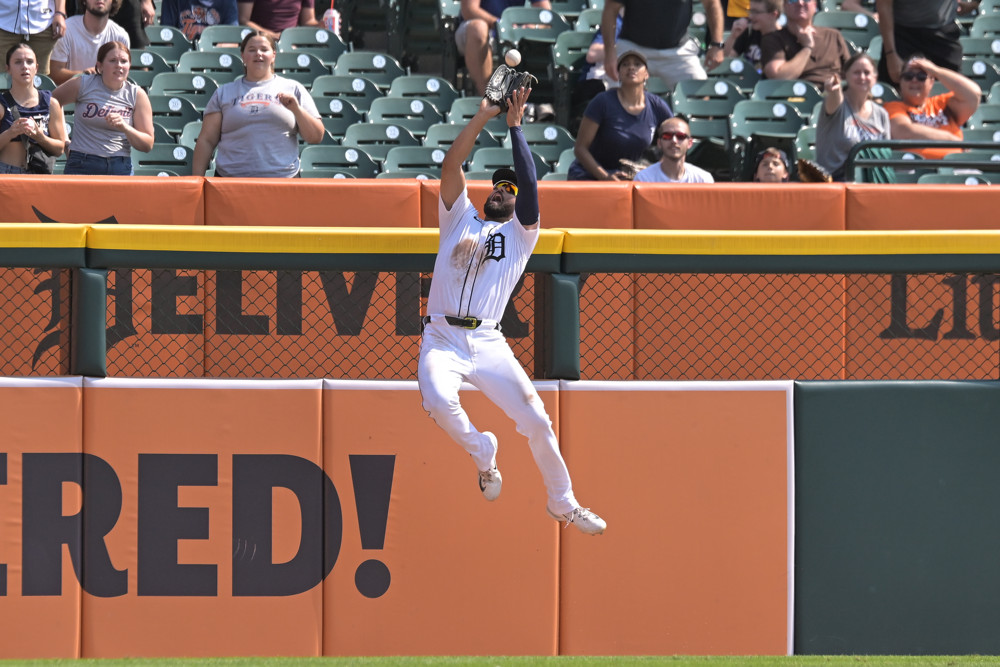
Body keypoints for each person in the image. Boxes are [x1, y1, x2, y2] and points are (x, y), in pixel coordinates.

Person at [418, 86, 607, 536]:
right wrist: (484, 116)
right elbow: (450, 166)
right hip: (442, 337)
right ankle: (484, 453)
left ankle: (563, 502)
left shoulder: (522, 236)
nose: (503, 189)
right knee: (439, 402)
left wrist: (516, 128)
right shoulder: (459, 218)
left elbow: (530, 185)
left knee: (538, 419)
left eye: (511, 187)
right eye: (498, 184)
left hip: (486, 340)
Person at [192, 30, 323, 177]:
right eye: (252, 50)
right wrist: (198, 180)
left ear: (273, 55)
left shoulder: (293, 89)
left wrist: (297, 109)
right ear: (243, 56)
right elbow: (207, 140)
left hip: (283, 183)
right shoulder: (224, 93)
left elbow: (315, 137)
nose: (258, 54)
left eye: (264, 49)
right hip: (230, 183)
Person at [568, 50, 672, 181]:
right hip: (590, 176)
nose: (631, 67)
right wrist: (605, 176)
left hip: (629, 178)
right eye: (625, 64)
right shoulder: (602, 102)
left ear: (647, 74)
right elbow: (580, 149)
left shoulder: (657, 105)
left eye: (637, 64)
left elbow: (676, 137)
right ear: (618, 74)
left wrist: (654, 169)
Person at [52, 40, 153, 174]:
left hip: (120, 165)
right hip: (82, 162)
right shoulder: (83, 84)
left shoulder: (137, 94)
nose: (119, 66)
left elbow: (147, 144)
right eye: (113, 61)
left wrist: (125, 127)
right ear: (100, 66)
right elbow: (52, 102)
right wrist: (64, 139)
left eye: (124, 61)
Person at [602, 0, 726, 90]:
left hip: (678, 52)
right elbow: (610, 9)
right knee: (616, 98)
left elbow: (712, 4)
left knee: (699, 94)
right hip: (633, 49)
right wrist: (609, 53)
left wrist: (717, 45)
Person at [883, 55, 980, 160]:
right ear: (900, 82)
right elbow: (904, 132)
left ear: (931, 82)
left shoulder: (943, 104)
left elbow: (974, 94)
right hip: (913, 167)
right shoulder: (893, 107)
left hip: (955, 165)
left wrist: (936, 70)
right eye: (908, 76)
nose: (914, 80)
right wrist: (951, 139)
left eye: (921, 76)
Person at [815, 52, 890, 181]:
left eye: (866, 73)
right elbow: (834, 98)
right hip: (835, 180)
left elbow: (886, 154)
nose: (862, 77)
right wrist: (834, 90)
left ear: (875, 77)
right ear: (846, 76)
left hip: (871, 182)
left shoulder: (881, 114)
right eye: (856, 72)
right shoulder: (838, 106)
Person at [456, 0, 551, 98]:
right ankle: (488, 100)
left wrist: (533, 26)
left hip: (512, 34)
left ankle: (536, 102)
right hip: (478, 30)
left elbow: (545, 13)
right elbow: (469, 10)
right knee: (478, 28)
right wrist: (501, 24)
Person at [0, 44, 67, 173]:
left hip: (39, 174)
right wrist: (11, 133)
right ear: (8, 69)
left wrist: (40, 137)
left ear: (36, 68)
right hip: (7, 172)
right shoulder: (2, 104)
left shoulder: (50, 103)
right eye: (18, 62)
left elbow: (60, 149)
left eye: (29, 62)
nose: (24, 66)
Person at [760, 0, 850, 87]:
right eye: (792, 0)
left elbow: (851, 72)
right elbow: (778, 77)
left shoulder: (833, 36)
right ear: (784, 6)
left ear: (815, 6)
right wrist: (807, 48)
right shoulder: (773, 39)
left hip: (833, 95)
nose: (800, 2)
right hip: (795, 96)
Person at [874, 0, 962, 85]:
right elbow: (884, 6)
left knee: (953, 90)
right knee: (893, 89)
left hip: (944, 34)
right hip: (902, 36)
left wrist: (973, 3)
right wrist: (890, 54)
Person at [49, 0, 130, 85]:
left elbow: (121, 79)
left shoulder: (120, 36)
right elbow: (54, 73)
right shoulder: (66, 30)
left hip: (107, 96)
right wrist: (85, 75)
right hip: (72, 95)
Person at [633, 117, 714, 182]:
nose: (674, 141)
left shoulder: (703, 180)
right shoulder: (644, 179)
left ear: (689, 143)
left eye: (680, 136)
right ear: (659, 143)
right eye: (667, 136)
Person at [0, 0, 67, 76]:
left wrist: (60, 12)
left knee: (39, 80)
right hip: (3, 20)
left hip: (42, 21)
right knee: (2, 78)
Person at [724, 0, 781, 73]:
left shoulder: (784, 38)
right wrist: (733, 37)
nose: (750, 16)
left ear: (773, 15)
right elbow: (725, 59)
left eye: (756, 12)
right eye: (750, 11)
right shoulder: (749, 32)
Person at [237, 0, 318, 41]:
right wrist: (272, 36)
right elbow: (243, 20)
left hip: (291, 44)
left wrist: (322, 25)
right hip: (258, 41)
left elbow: (308, 21)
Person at [161, 0, 239, 41]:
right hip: (181, 57)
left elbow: (232, 40)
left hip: (214, 60)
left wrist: (213, 52)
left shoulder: (228, 1)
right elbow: (166, 36)